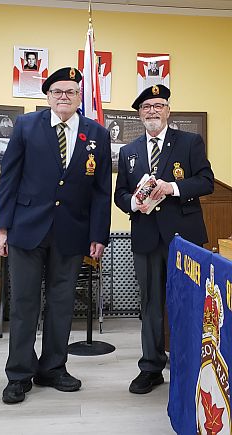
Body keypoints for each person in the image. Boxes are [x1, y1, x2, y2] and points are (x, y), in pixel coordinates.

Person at [0, 67, 112, 404]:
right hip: (26, 229)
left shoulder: (97, 135)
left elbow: (102, 191)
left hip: (71, 232)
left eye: (71, 91)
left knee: (61, 304)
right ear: (47, 96)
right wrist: (1, 228)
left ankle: (53, 368)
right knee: (24, 304)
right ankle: (18, 374)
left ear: (79, 97)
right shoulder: (26, 126)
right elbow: (8, 179)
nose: (64, 96)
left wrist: (98, 234)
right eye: (57, 91)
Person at [114, 84, 214, 394]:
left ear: (168, 111)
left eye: (158, 105)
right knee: (151, 305)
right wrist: (134, 202)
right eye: (146, 107)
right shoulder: (128, 152)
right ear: (139, 115)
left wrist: (172, 188)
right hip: (146, 238)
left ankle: (190, 365)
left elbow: (206, 181)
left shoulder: (189, 142)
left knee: (188, 303)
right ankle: (151, 367)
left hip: (184, 238)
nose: (153, 111)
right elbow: (120, 195)